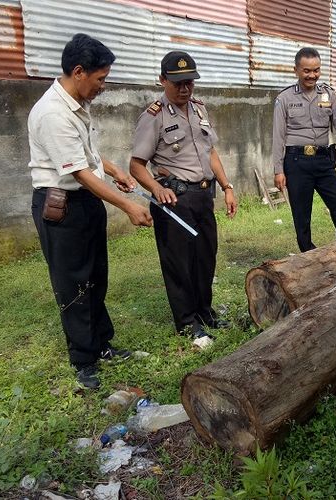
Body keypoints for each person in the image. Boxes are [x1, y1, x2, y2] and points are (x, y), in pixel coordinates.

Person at [28, 33, 153, 389]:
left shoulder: (76, 104)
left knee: (96, 277)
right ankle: (83, 360)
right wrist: (128, 205)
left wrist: (114, 171)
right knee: (73, 284)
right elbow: (78, 172)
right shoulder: (52, 113)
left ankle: (102, 345)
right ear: (79, 71)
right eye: (100, 79)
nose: (103, 85)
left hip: (85, 203)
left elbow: (90, 157)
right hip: (62, 207)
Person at [130, 50, 237, 344]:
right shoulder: (153, 116)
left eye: (189, 81)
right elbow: (136, 166)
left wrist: (227, 186)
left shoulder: (200, 109)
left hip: (203, 196)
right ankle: (187, 322)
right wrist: (156, 188)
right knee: (179, 263)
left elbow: (210, 152)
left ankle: (205, 313)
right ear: (162, 80)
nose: (184, 88)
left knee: (205, 257)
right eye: (177, 82)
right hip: (174, 200)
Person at [272, 47, 336, 252]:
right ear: (296, 70)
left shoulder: (329, 94)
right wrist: (278, 170)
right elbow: (278, 136)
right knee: (302, 215)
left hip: (323, 161)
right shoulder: (284, 99)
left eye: (316, 70)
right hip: (296, 162)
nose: (312, 75)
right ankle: (309, 255)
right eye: (307, 71)